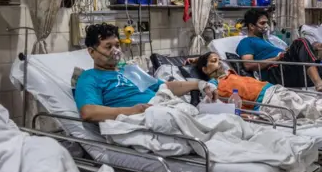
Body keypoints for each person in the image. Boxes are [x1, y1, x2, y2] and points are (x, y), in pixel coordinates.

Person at [74, 23, 217, 122]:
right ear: (92, 52)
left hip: (164, 107)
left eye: (117, 45)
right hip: (144, 118)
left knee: (228, 121)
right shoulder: (90, 77)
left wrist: (199, 84)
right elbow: (88, 112)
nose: (115, 51)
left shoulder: (130, 70)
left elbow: (165, 87)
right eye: (108, 47)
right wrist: (134, 110)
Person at [195, 52, 322, 125]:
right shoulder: (214, 85)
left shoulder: (230, 74)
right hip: (268, 102)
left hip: (275, 91)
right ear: (204, 70)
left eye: (219, 59)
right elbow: (207, 103)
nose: (218, 62)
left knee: (320, 102)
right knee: (313, 110)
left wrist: (196, 60)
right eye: (213, 61)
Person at [235, 9, 322, 91]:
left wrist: (312, 48)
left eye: (267, 23)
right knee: (300, 42)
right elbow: (248, 65)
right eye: (262, 23)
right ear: (251, 26)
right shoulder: (246, 42)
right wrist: (276, 58)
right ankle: (319, 83)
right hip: (276, 73)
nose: (266, 26)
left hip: (289, 70)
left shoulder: (268, 40)